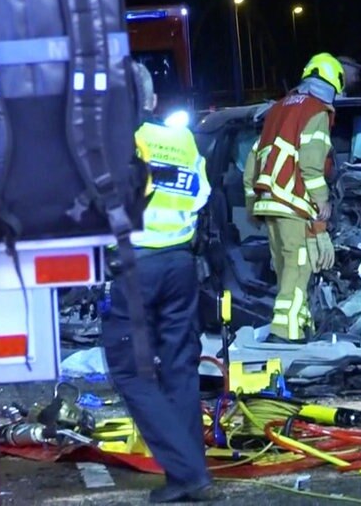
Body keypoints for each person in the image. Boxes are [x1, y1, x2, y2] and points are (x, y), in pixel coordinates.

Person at [101, 61, 213, 502]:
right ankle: (189, 474)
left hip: (136, 268)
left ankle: (186, 473)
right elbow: (201, 194)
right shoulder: (181, 139)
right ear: (149, 100)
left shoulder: (120, 141)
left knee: (131, 370)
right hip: (179, 264)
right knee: (181, 368)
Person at [243, 53, 340, 343]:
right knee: (298, 268)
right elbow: (311, 163)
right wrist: (322, 199)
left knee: (287, 270)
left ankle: (300, 323)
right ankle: (284, 333)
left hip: (271, 204)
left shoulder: (276, 110)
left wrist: (253, 205)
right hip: (292, 202)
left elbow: (251, 165)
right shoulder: (316, 111)